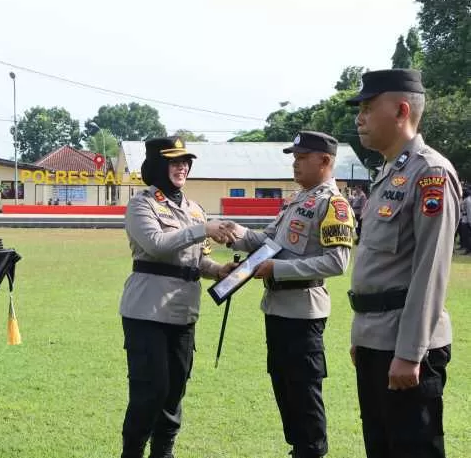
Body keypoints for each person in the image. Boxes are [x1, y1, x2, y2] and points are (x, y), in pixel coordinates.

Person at [346, 69, 461, 458]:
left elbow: (431, 270)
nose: (358, 118)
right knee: (381, 448)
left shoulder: (430, 173)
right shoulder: (388, 174)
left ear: (401, 110)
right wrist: (361, 336)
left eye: (366, 107)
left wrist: (410, 352)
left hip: (407, 347)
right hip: (376, 340)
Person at [228, 131, 354, 458]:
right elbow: (269, 240)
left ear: (324, 161)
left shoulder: (333, 203)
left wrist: (277, 270)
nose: (294, 164)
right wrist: (235, 234)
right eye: (294, 158)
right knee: (284, 388)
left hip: (303, 313)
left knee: (304, 393)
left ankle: (311, 451)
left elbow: (337, 262)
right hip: (278, 309)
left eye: (301, 158)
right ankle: (299, 449)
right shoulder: (298, 200)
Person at [119, 136, 239, 458]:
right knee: (150, 391)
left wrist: (219, 270)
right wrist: (204, 230)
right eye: (174, 161)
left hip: (183, 313)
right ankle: (131, 452)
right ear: (158, 165)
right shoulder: (142, 204)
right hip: (147, 312)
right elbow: (156, 244)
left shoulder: (196, 210)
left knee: (174, 392)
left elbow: (197, 259)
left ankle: (164, 453)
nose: (182, 167)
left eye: (186, 162)